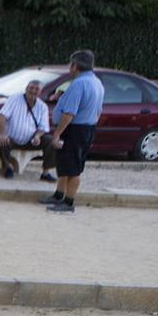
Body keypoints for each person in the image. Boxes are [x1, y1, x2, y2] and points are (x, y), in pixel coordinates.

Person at [43, 50, 105, 214]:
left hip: (75, 129)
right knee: (65, 164)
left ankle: (68, 202)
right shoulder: (97, 82)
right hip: (87, 128)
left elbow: (69, 113)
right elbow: (99, 111)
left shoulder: (79, 84)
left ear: (75, 66)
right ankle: (59, 195)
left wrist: (57, 133)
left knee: (72, 167)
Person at [0, 79, 54, 180]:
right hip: (11, 138)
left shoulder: (42, 106)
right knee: (1, 141)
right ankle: (7, 168)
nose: (33, 91)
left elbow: (43, 127)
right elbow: (1, 116)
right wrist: (2, 133)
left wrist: (37, 136)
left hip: (31, 140)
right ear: (26, 89)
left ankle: (45, 172)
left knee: (51, 141)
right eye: (31, 88)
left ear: (40, 92)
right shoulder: (14, 99)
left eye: (37, 89)